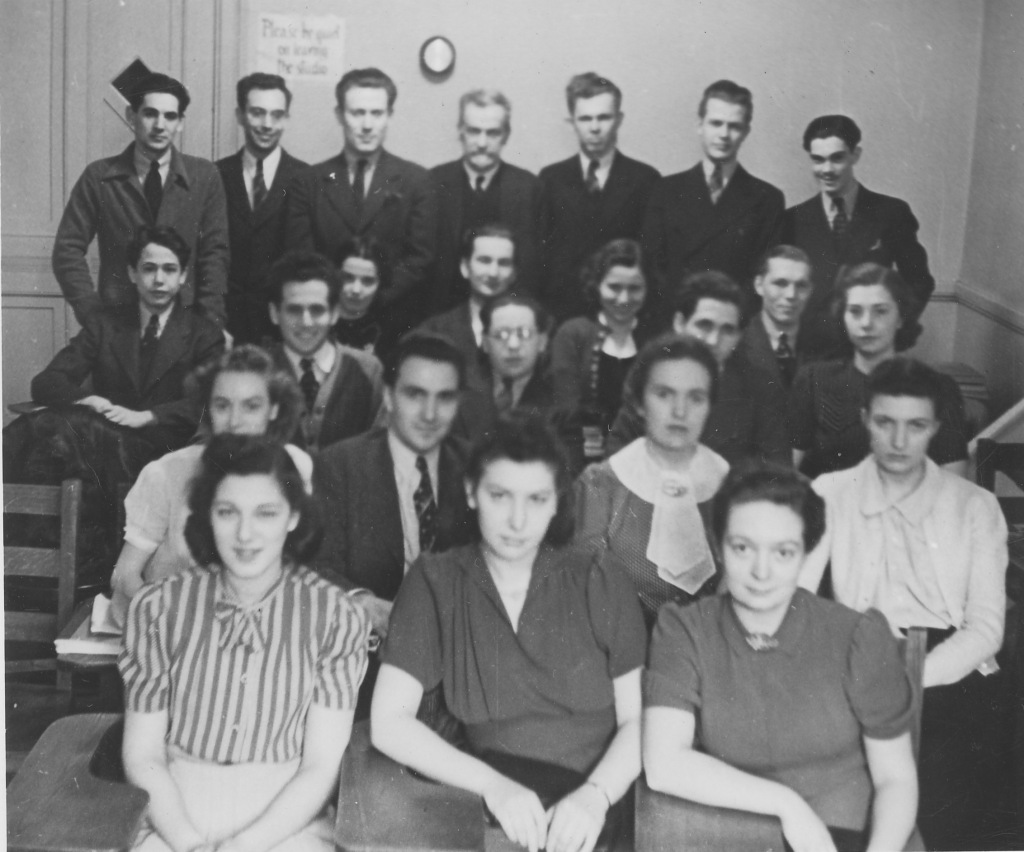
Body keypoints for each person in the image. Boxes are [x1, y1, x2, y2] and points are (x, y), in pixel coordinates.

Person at [372, 414, 646, 852]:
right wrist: (494, 787)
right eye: (500, 496)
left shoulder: (599, 577)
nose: (518, 521)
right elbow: (388, 723)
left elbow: (639, 720)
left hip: (598, 807)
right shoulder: (437, 581)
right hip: (496, 810)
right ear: (471, 492)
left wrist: (595, 798)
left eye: (537, 499)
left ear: (558, 502)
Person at [644, 463, 918, 852]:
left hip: (854, 839)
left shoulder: (859, 637)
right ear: (718, 544)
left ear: (806, 551)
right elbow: (664, 763)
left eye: (783, 552)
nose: (761, 571)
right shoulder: (684, 631)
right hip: (734, 837)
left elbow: (896, 779)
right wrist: (788, 806)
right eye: (742, 547)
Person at [800, 358, 1014, 851]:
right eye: (885, 423)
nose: (899, 442)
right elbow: (801, 602)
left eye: (916, 426)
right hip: (855, 656)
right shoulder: (831, 492)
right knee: (846, 793)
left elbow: (985, 628)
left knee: (942, 799)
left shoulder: (974, 506)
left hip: (950, 670)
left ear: (936, 427)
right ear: (864, 419)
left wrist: (913, 673)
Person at [119, 435, 369, 852]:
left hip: (286, 819)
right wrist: (187, 842)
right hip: (174, 810)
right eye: (227, 512)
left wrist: (246, 844)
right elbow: (143, 755)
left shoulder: (335, 615)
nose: (246, 534)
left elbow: (321, 766)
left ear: (293, 517)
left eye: (266, 513)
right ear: (207, 516)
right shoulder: (158, 607)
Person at [312, 334, 474, 714]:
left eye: (445, 397)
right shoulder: (340, 465)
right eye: (415, 394)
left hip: (460, 664)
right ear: (388, 397)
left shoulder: (477, 466)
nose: (430, 413)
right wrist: (362, 604)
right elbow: (314, 565)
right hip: (367, 663)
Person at [108, 345, 312, 627]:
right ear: (208, 409)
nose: (235, 421)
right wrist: (167, 615)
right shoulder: (166, 473)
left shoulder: (296, 467)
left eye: (251, 406)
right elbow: (124, 573)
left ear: (274, 409)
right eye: (222, 405)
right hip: (175, 627)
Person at [32, 226, 224, 465]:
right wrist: (88, 400)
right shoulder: (104, 325)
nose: (159, 280)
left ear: (183, 275)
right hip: (106, 452)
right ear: (132, 273)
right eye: (149, 269)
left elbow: (213, 401)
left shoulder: (204, 333)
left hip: (172, 455)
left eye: (170, 270)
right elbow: (46, 382)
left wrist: (150, 416)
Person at [53, 71, 229, 328]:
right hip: (118, 321)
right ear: (131, 117)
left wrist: (210, 324)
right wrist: (92, 316)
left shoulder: (204, 176)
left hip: (185, 323)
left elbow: (216, 253)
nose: (160, 125)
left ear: (180, 122)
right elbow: (67, 250)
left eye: (170, 116)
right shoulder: (99, 177)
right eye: (150, 114)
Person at [575, 335, 729, 627]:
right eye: (664, 394)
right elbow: (585, 598)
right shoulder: (599, 485)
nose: (680, 411)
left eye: (696, 397)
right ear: (640, 402)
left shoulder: (731, 485)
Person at [286, 67, 435, 349]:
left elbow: (419, 259)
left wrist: (366, 297)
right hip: (323, 325)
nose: (367, 125)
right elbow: (302, 256)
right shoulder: (308, 183)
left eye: (376, 114)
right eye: (357, 113)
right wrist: (338, 300)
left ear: (389, 115)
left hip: (392, 327)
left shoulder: (416, 181)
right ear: (340, 115)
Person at [789, 263, 967, 479]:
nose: (866, 323)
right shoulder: (813, 379)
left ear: (901, 317)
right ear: (842, 317)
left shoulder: (939, 388)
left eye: (880, 311)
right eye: (855, 311)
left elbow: (953, 483)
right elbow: (786, 470)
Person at [780, 115, 935, 359]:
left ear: (855, 154)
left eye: (837, 158)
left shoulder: (891, 213)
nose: (827, 170)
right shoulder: (791, 220)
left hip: (869, 350)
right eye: (818, 160)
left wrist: (894, 331)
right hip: (808, 355)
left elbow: (919, 281)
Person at [607, 271, 790, 466]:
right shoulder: (650, 374)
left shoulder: (761, 387)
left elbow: (777, 474)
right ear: (679, 323)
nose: (713, 340)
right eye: (704, 325)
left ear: (738, 337)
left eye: (727, 330)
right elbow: (618, 455)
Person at [642, 80, 784, 310]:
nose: (724, 134)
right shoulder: (664, 191)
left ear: (746, 132)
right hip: (676, 323)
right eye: (716, 123)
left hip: (733, 324)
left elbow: (762, 279)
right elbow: (652, 269)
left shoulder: (766, 199)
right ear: (700, 126)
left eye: (734, 126)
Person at [539, 72, 660, 324]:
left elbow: (652, 261)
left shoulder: (645, 180)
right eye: (585, 118)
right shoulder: (551, 179)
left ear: (619, 119)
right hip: (565, 317)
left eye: (603, 117)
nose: (594, 128)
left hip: (625, 316)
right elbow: (543, 261)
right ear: (572, 122)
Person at [430, 90, 542, 312]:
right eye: (473, 131)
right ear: (460, 132)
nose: (482, 143)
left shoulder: (530, 188)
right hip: (442, 313)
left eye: (492, 133)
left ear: (506, 135)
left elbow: (534, 267)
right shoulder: (433, 183)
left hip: (510, 313)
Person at [217, 72, 309, 345]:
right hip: (224, 328)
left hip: (281, 330)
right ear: (240, 115)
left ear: (287, 118)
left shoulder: (306, 179)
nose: (267, 124)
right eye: (257, 113)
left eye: (277, 115)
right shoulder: (215, 175)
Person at [266, 251, 384, 453]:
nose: (306, 322)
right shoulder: (257, 370)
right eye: (294, 310)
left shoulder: (368, 370)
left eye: (317, 310)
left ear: (334, 313)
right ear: (275, 313)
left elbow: (380, 448)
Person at [550, 239, 655, 461]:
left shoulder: (655, 341)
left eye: (634, 288)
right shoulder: (573, 334)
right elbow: (566, 413)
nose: (624, 298)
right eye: (614, 287)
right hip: (579, 460)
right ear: (597, 285)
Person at [418, 224, 519, 391]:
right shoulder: (434, 330)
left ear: (514, 273)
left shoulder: (534, 331)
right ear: (465, 267)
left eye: (503, 263)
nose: (493, 272)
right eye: (484, 261)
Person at [732, 245, 816, 405]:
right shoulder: (736, 345)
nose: (791, 295)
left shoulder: (825, 348)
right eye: (780, 283)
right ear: (759, 285)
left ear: (811, 290)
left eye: (801, 286)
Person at [333, 236, 387, 355]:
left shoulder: (386, 331)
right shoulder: (318, 319)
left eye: (368, 281)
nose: (356, 290)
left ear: (380, 283)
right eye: (348, 278)